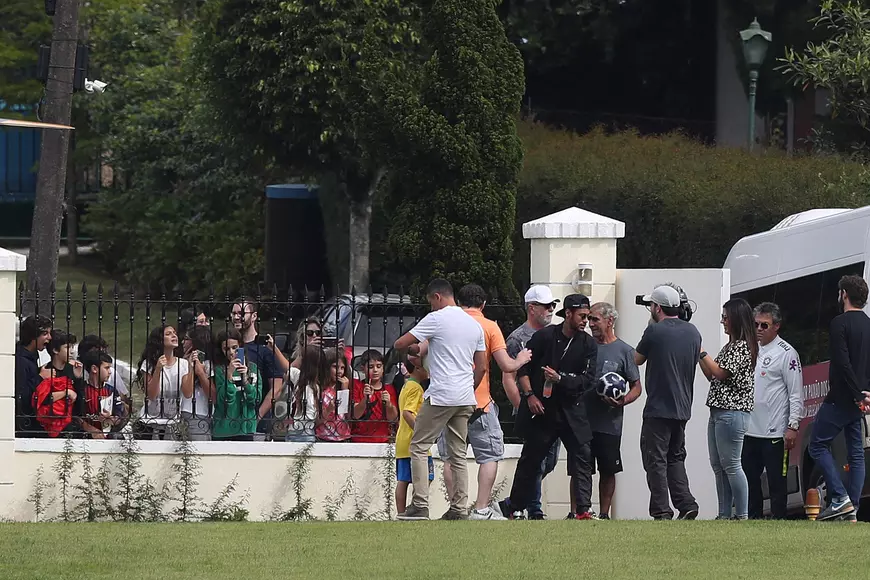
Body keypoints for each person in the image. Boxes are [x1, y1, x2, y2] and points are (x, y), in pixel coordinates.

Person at [500, 294, 599, 520]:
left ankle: (583, 509)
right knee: (532, 459)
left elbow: (588, 380)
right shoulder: (544, 337)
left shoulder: (588, 344)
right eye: (582, 316)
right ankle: (514, 506)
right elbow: (522, 369)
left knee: (583, 455)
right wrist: (530, 396)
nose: (585, 321)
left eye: (589, 316)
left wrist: (561, 380)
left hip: (572, 409)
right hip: (544, 409)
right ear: (569, 314)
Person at [394, 279, 487, 521]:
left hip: (441, 394)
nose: (431, 307)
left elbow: (400, 344)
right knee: (457, 454)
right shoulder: (474, 325)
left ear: (437, 297)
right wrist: (469, 387)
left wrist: (411, 348)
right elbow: (482, 366)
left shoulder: (436, 318)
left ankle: (420, 505)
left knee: (418, 446)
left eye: (431, 302)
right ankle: (459, 508)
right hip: (465, 397)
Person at [438, 284, 531, 520]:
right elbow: (506, 365)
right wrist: (521, 358)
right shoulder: (489, 327)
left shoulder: (446, 323)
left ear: (459, 302)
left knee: (450, 457)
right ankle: (481, 508)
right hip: (479, 402)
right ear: (483, 304)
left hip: (448, 401)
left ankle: (455, 507)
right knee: (490, 454)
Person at [635, 284, 701, 520]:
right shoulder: (693, 332)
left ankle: (662, 510)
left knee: (655, 459)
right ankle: (687, 503)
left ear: (656, 307)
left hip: (658, 407)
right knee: (675, 457)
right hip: (682, 407)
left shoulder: (655, 332)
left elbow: (637, 359)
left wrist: (650, 327)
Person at [809, 275, 870, 521]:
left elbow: (843, 364)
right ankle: (852, 508)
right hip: (862, 399)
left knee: (817, 444)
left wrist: (856, 394)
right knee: (856, 453)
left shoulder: (839, 323)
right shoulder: (868, 324)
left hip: (841, 397)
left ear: (844, 294)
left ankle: (840, 499)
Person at [574, 302, 642, 520]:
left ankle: (604, 514)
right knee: (579, 469)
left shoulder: (625, 351)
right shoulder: (582, 346)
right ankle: (577, 512)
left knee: (608, 470)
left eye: (595, 319)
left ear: (610, 321)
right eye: (589, 319)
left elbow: (637, 387)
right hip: (581, 420)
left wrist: (623, 401)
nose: (590, 324)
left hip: (609, 424)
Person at [501, 285, 561, 519]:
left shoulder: (556, 334)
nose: (551, 309)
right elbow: (509, 376)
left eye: (552, 305)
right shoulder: (518, 339)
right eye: (546, 306)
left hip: (553, 408)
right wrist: (522, 405)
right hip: (532, 408)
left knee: (550, 461)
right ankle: (533, 508)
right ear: (531, 308)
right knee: (535, 458)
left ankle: (515, 501)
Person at [742, 302, 803, 520]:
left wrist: (793, 426)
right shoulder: (749, 348)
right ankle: (754, 519)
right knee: (750, 479)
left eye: (764, 325)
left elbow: (795, 392)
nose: (758, 329)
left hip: (774, 432)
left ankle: (779, 520)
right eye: (756, 324)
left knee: (777, 481)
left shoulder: (786, 353)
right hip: (749, 429)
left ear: (776, 326)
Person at [699, 298, 757, 520]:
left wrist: (703, 352)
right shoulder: (730, 346)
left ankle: (740, 514)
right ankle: (724, 513)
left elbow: (722, 373)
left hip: (732, 413)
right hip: (719, 411)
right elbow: (712, 375)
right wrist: (699, 355)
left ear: (736, 319)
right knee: (718, 465)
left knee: (732, 465)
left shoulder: (742, 346)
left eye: (725, 317)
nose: (722, 321)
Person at [232, 300, 287, 440]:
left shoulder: (265, 349)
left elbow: (276, 388)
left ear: (254, 316)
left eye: (242, 313)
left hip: (257, 423)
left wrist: (257, 418)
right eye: (234, 313)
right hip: (230, 421)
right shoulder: (229, 346)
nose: (236, 317)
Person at [137, 325, 191, 440]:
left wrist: (191, 367)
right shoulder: (149, 364)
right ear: (160, 340)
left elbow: (188, 393)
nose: (174, 335)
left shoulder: (183, 364)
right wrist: (157, 370)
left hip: (172, 423)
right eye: (168, 334)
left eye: (174, 333)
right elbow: (151, 395)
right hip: (149, 422)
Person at [395, 355, 432, 515]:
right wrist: (421, 432)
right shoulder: (416, 388)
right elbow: (407, 413)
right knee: (425, 476)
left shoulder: (406, 385)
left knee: (403, 480)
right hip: (413, 441)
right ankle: (414, 508)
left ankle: (401, 512)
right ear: (417, 367)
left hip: (402, 440)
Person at [212, 329, 262, 442]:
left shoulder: (253, 368)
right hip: (224, 429)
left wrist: (245, 380)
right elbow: (223, 400)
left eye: (234, 348)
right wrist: (229, 375)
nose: (231, 352)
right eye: (226, 349)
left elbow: (255, 400)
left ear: (241, 346)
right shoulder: (220, 369)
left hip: (246, 427)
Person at [15, 315, 52, 437]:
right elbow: (21, 394)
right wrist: (40, 377)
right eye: (45, 334)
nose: (49, 338)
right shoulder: (20, 359)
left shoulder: (32, 355)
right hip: (23, 425)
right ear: (33, 335)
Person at [78, 351, 127, 439]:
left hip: (109, 438)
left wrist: (110, 418)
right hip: (84, 438)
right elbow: (75, 417)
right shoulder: (81, 390)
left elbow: (119, 418)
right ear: (94, 369)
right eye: (107, 368)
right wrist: (91, 430)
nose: (110, 372)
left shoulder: (111, 391)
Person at [351, 349, 398, 443]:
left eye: (379, 366)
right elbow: (355, 415)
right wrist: (365, 399)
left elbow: (393, 418)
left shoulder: (388, 388)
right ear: (363, 368)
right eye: (371, 367)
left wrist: (388, 404)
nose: (375, 370)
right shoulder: (357, 386)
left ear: (383, 369)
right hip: (359, 439)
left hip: (383, 439)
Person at [286, 345, 327, 442]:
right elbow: (288, 368)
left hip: (304, 433)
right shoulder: (298, 378)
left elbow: (312, 415)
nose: (298, 359)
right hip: (292, 431)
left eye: (301, 357)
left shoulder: (313, 387)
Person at [181, 326, 215, 441]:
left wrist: (200, 373)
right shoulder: (182, 361)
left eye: (186, 338)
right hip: (180, 413)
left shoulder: (208, 364)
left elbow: (213, 396)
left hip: (198, 414)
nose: (182, 342)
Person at [77, 334, 130, 400]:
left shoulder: (111, 372)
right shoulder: (76, 372)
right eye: (96, 352)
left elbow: (124, 398)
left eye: (102, 352)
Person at [316, 347, 352, 442]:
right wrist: (328, 410)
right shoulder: (319, 389)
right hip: (323, 437)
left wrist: (344, 390)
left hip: (343, 437)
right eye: (335, 367)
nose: (340, 371)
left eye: (342, 368)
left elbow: (344, 411)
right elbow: (316, 420)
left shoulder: (343, 386)